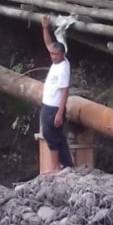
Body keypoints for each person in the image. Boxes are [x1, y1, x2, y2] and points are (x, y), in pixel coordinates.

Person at [40, 13, 73, 172]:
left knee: (52, 138)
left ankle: (54, 168)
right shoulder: (57, 59)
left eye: (55, 54)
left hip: (53, 108)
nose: (52, 56)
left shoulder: (63, 68)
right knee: (57, 138)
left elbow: (65, 91)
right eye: (51, 54)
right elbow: (48, 44)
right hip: (48, 105)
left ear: (63, 54)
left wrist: (60, 113)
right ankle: (67, 166)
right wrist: (45, 28)